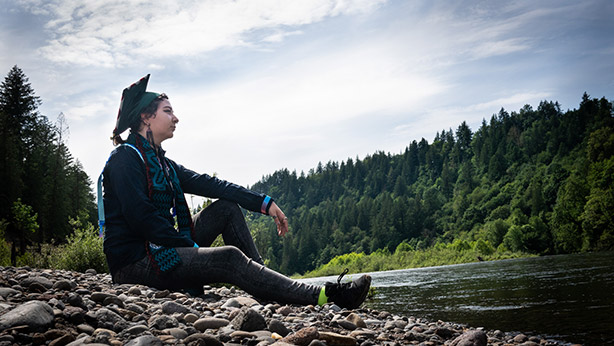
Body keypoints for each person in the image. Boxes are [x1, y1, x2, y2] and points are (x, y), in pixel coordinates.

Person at [100, 74, 371, 309]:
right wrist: (190, 248)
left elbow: (214, 185)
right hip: (134, 264)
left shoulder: (164, 165)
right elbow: (142, 218)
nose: (176, 118)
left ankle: (269, 287)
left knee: (227, 209)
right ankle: (325, 295)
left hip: (158, 248)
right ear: (146, 117)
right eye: (168, 111)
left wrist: (264, 203)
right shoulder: (125, 159)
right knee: (228, 257)